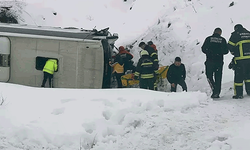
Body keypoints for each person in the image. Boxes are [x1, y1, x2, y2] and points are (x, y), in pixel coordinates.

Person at [201, 28, 228, 98]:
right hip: (219, 62)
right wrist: (219, 52)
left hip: (210, 61)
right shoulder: (223, 40)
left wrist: (209, 52)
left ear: (214, 32)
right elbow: (226, 51)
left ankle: (214, 89)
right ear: (220, 33)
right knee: (218, 77)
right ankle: (217, 92)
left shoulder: (208, 39)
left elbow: (203, 49)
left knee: (209, 75)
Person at [228, 24, 250, 99]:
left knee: (239, 78)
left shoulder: (235, 35)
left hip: (240, 60)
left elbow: (230, 46)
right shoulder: (249, 33)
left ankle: (239, 94)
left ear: (236, 28)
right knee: (248, 76)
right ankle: (249, 91)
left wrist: (234, 52)